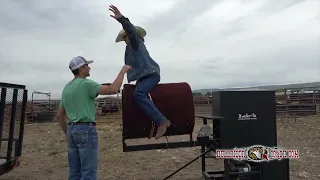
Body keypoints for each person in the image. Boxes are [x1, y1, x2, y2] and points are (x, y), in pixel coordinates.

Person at [55, 56, 131, 180]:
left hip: (71, 130)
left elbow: (59, 116)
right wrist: (123, 71)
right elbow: (114, 89)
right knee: (88, 173)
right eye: (87, 65)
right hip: (85, 129)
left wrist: (68, 132)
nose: (89, 67)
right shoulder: (87, 84)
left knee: (74, 172)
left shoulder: (67, 88)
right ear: (81, 68)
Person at [109, 4, 171, 140]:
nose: (125, 40)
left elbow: (131, 30)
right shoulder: (130, 50)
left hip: (151, 74)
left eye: (126, 36)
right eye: (124, 37)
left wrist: (121, 19)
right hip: (144, 76)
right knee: (135, 94)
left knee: (138, 94)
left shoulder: (136, 43)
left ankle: (162, 121)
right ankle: (148, 126)